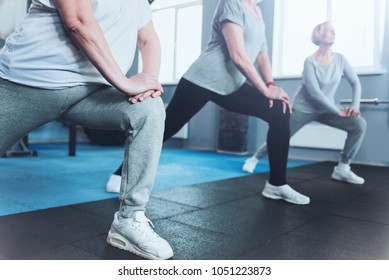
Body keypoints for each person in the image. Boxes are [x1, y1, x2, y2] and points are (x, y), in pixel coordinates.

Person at [0, 0, 173, 260]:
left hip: (90, 94)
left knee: (148, 108)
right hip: (26, 86)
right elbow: (78, 22)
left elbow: (147, 38)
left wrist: (148, 80)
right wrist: (125, 83)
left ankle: (130, 219)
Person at [106, 0, 310, 205]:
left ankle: (276, 185)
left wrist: (270, 84)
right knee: (164, 129)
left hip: (231, 85)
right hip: (202, 80)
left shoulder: (257, 12)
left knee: (280, 111)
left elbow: (262, 55)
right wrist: (265, 90)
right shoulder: (232, 3)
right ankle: (120, 172)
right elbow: (238, 55)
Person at [242, 21, 367, 185]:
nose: (333, 32)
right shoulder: (310, 62)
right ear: (319, 35)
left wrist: (355, 107)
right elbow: (315, 93)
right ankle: (254, 158)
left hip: (327, 108)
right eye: (329, 30)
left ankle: (343, 168)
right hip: (304, 108)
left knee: (359, 124)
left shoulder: (340, 59)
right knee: (281, 135)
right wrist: (338, 111)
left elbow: (355, 82)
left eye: (334, 30)